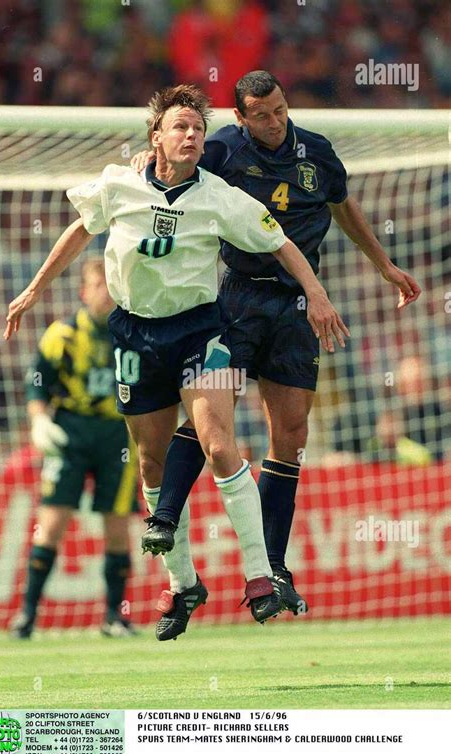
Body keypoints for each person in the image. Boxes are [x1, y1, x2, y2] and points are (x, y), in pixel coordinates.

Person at [5, 84, 348, 641]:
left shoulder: (218, 195)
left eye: (198, 128)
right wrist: (34, 290)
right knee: (152, 465)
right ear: (156, 137)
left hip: (199, 329)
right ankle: (183, 583)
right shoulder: (119, 183)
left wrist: (318, 294)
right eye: (180, 127)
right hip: (136, 335)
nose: (191, 136)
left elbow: (280, 241)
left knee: (217, 443)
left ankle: (261, 575)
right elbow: (78, 229)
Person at [132, 70, 421, 616]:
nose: (274, 123)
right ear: (240, 117)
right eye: (261, 115)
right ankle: (166, 517)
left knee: (289, 433)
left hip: (297, 301)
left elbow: (342, 203)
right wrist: (142, 167)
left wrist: (383, 264)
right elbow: (170, 166)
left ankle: (272, 568)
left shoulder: (316, 151)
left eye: (281, 111)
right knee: (210, 420)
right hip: (235, 297)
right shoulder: (220, 148)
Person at [9, 259, 139, 639]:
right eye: (98, 285)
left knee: (117, 525)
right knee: (51, 523)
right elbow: (37, 383)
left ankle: (115, 616)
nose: (106, 294)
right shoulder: (61, 335)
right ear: (84, 291)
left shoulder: (130, 334)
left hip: (117, 434)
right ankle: (27, 615)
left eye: (111, 286)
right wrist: (39, 420)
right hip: (71, 431)